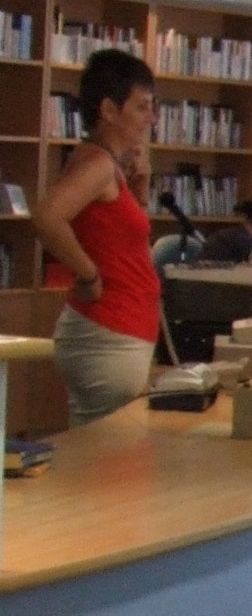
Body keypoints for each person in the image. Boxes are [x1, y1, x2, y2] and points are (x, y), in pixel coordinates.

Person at [31, 47, 161, 423]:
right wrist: (88, 274)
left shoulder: (108, 166)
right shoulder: (98, 165)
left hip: (121, 328)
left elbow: (124, 240)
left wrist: (140, 188)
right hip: (109, 329)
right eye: (141, 107)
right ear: (108, 110)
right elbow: (47, 217)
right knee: (112, 450)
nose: (150, 119)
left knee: (113, 448)